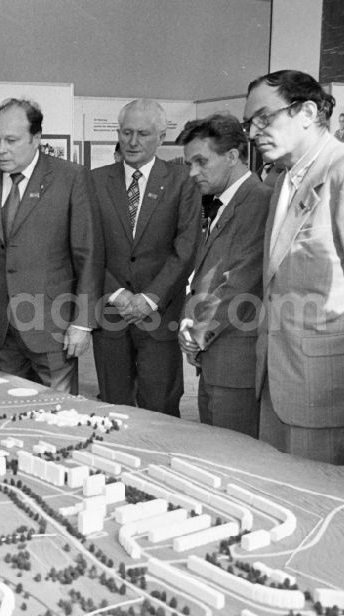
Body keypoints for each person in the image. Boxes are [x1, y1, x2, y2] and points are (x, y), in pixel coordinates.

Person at [243, 70, 344, 464]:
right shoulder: (284, 181)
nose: (253, 132)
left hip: (328, 394)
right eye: (249, 122)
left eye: (264, 118)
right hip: (277, 381)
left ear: (308, 112)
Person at [0, 98, 102, 393]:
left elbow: (88, 256)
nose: (1, 149)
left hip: (53, 328)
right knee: (8, 412)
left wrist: (83, 323)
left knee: (58, 416)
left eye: (11, 140)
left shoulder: (70, 178)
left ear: (37, 139)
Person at [90, 99, 200, 416]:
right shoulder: (95, 181)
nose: (133, 141)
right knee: (113, 408)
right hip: (111, 313)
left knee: (161, 409)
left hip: (160, 315)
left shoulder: (182, 181)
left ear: (161, 137)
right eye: (126, 133)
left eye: (143, 133)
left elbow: (186, 248)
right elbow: (89, 247)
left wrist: (150, 298)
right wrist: (119, 294)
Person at [176, 114, 270, 438]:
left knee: (234, 461)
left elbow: (241, 281)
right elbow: (205, 275)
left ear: (232, 156)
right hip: (215, 359)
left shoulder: (256, 201)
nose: (193, 172)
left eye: (201, 162)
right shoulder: (223, 202)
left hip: (235, 363)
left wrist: (196, 332)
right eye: (189, 163)